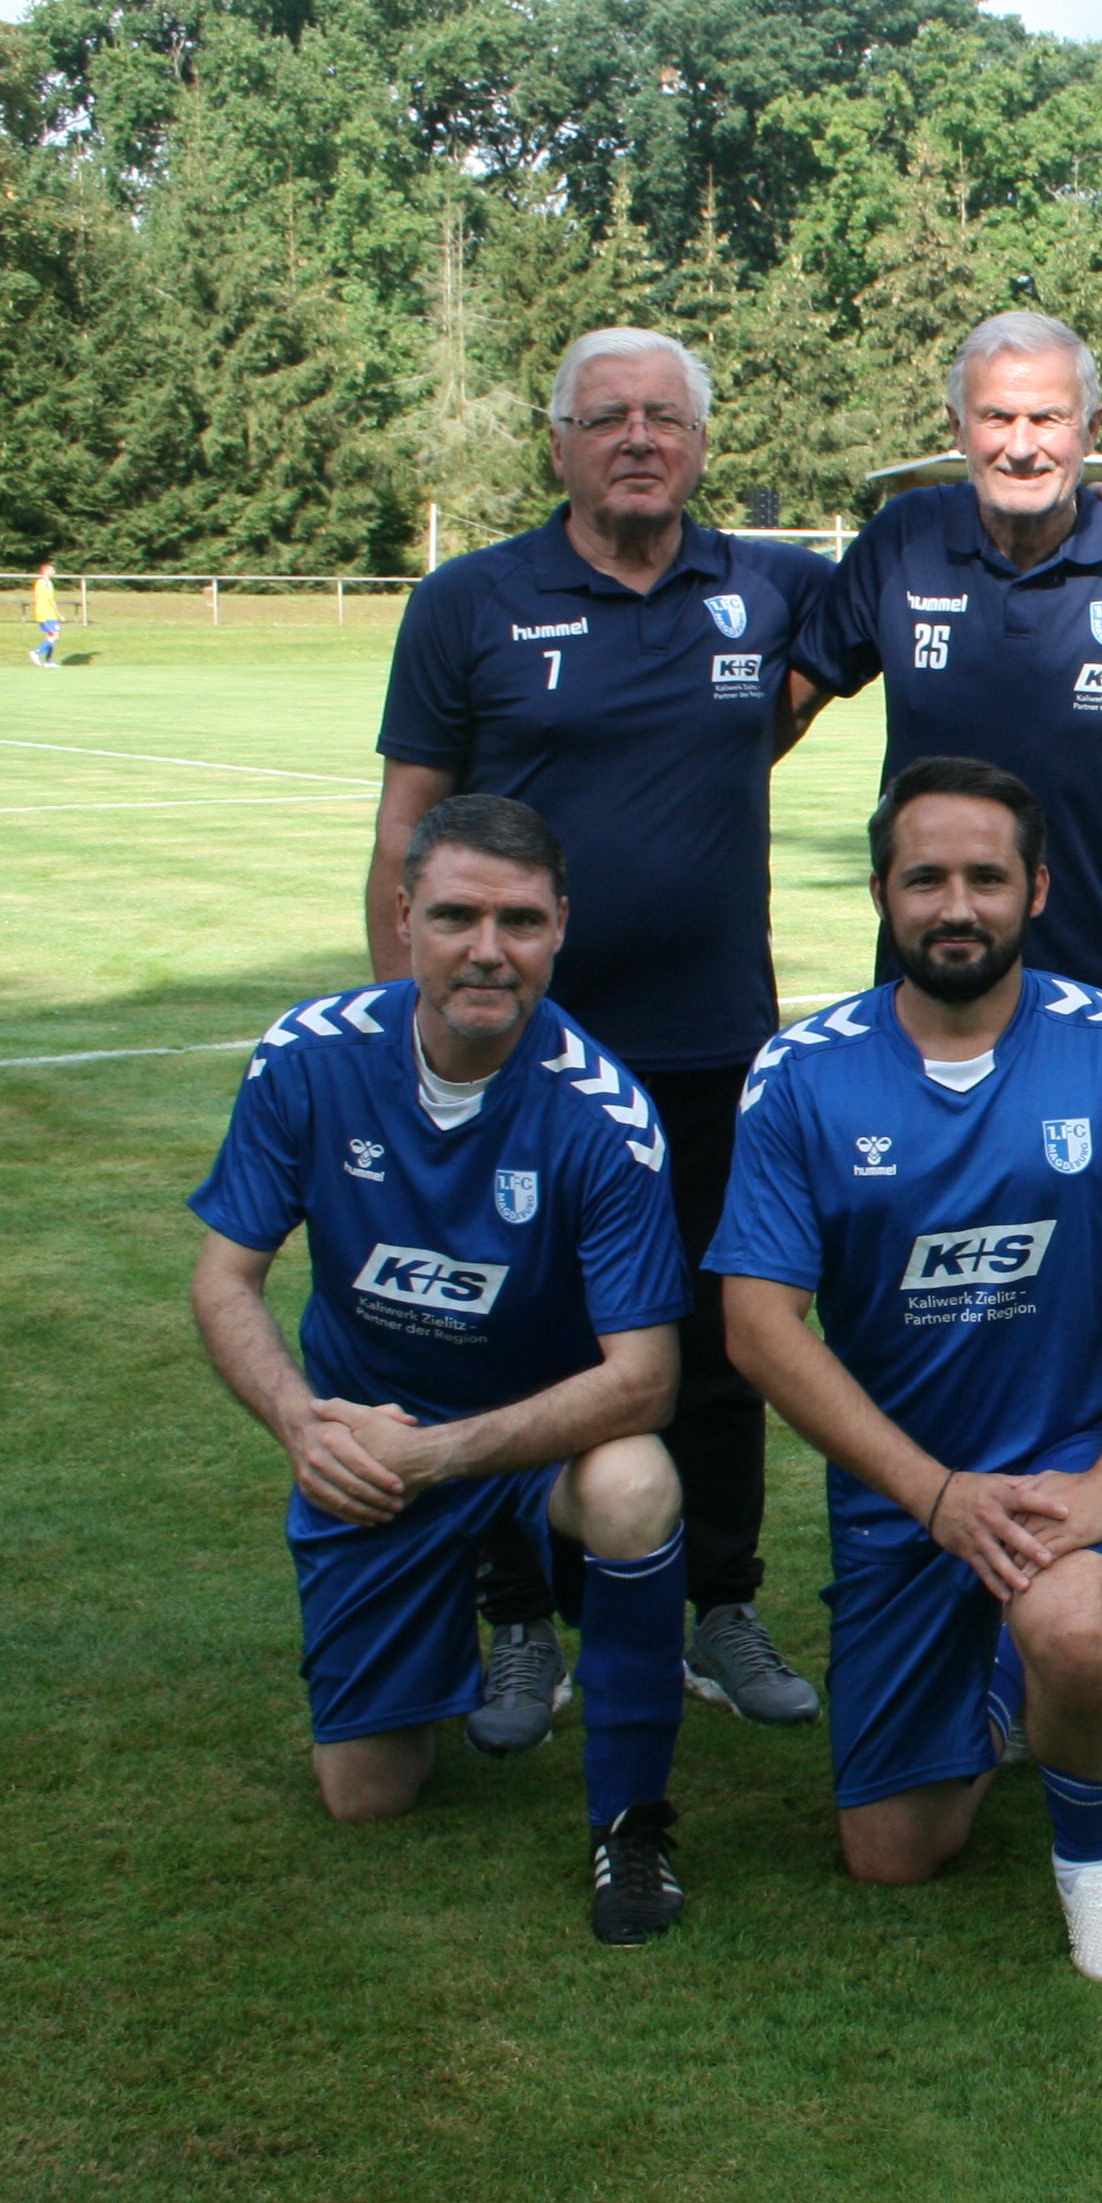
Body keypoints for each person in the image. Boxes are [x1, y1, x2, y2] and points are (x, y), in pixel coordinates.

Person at [792, 309, 1102, 1736]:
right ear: (960, 426)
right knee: (939, 1300)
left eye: (1049, 418)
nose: (1022, 442)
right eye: (995, 418)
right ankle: (937, 1567)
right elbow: (763, 707)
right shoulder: (897, 552)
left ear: (1090, 428)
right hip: (932, 1013)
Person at [372, 326, 842, 1754]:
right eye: (607, 418)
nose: (638, 439)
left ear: (703, 443)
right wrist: (416, 1036)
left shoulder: (770, 587)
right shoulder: (470, 600)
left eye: (665, 419)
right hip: (523, 1062)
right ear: (559, 440)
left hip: (713, 1051)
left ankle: (720, 1604)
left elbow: (933, 569)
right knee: (516, 1341)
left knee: (720, 1340)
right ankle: (521, 1616)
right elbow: (409, 828)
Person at [712, 757, 1102, 1985]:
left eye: (985, 879)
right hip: (904, 1502)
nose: (956, 906)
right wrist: (937, 1497)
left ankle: (1092, 1855)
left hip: (1065, 1473)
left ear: (1040, 889)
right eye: (925, 880)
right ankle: (1008, 1689)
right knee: (892, 1853)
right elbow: (757, 1325)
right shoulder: (802, 1073)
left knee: (1072, 1618)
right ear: (881, 895)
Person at [186, 794, 698, 1946]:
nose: (488, 950)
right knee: (366, 1795)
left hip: (534, 1439)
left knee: (637, 1484)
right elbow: (225, 1279)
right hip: (369, 1438)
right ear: (404, 915)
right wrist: (300, 1423)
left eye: (519, 921)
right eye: (457, 915)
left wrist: (440, 1458)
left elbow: (645, 1382)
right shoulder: (307, 1059)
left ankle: (632, 1822)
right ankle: (455, 1628)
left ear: (561, 926)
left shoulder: (606, 1117)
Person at [30, 559, 64, 667]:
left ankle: (48, 661)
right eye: (51, 570)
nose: (54, 572)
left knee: (50, 636)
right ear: (45, 571)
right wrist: (59, 614)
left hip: (46, 612)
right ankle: (36, 652)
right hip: (46, 612)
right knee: (55, 636)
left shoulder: (44, 582)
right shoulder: (44, 583)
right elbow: (50, 599)